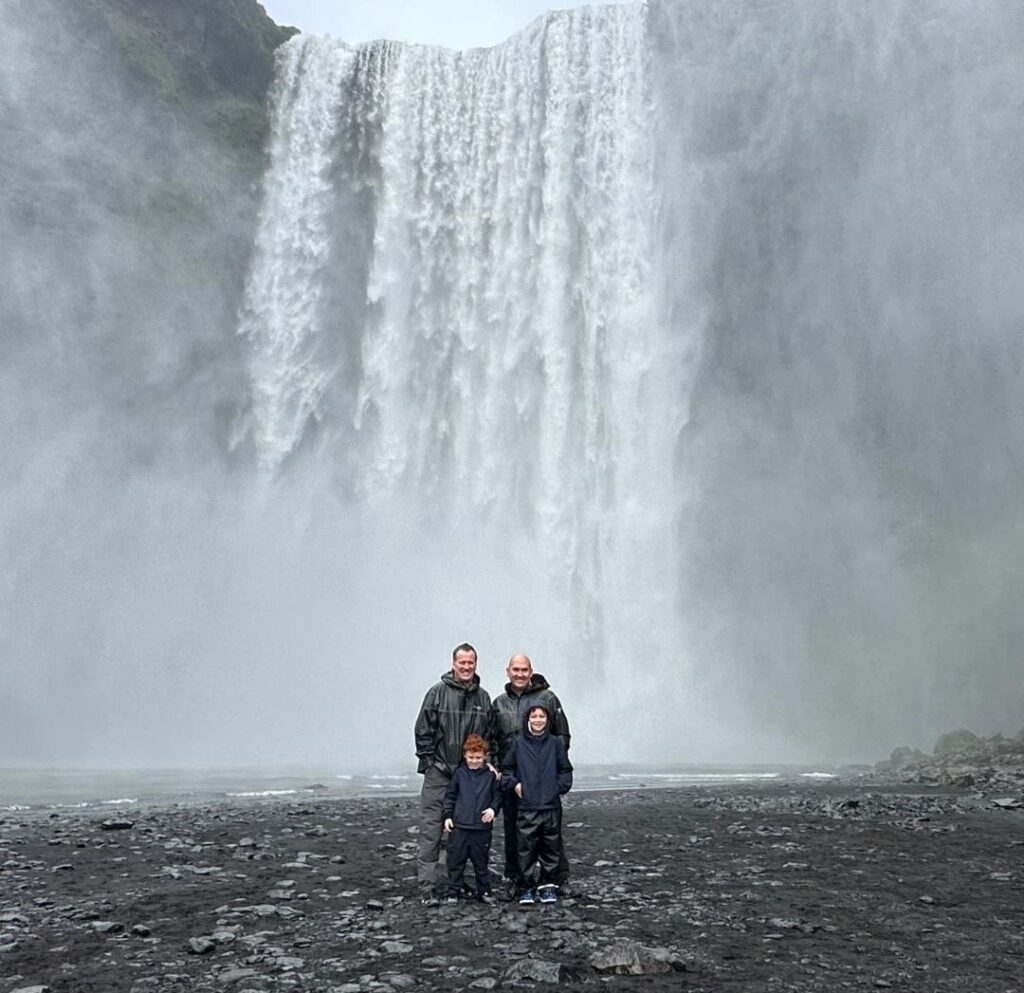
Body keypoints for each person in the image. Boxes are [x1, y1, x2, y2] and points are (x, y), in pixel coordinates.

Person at [413, 643, 493, 906]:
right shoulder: (436, 693)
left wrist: (486, 765)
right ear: (453, 663)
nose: (466, 667)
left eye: (471, 663)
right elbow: (422, 730)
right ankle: (427, 886)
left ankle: (453, 884)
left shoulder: (483, 698)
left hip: (468, 775)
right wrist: (429, 763)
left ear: (476, 664)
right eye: (462, 663)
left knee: (461, 833)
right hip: (440, 772)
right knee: (432, 829)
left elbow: (488, 737)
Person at [491, 654, 571, 895]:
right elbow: (492, 738)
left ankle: (556, 879)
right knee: (514, 830)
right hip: (513, 778)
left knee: (550, 832)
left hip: (543, 780)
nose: (520, 674)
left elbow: (562, 735)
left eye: (524, 670)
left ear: (531, 671)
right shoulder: (499, 703)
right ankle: (517, 879)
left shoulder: (547, 698)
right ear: (508, 671)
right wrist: (500, 772)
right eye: (515, 669)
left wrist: (551, 772)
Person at [500, 703, 573, 905]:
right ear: (527, 719)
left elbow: (565, 770)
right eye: (534, 716)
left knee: (551, 847)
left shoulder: (555, 743)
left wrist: (557, 788)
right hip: (527, 806)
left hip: (550, 806)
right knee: (525, 848)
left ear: (547, 720)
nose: (538, 720)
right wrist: (515, 785)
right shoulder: (518, 743)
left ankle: (548, 886)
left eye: (542, 716)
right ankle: (526, 887)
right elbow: (507, 770)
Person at [441, 733, 501, 903]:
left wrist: (493, 810)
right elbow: (450, 796)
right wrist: (447, 816)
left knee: (481, 862)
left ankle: (484, 891)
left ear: (485, 757)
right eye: (471, 757)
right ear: (465, 756)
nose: (474, 761)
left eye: (478, 757)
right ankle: (453, 891)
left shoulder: (491, 775)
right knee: (455, 861)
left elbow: (497, 796)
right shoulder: (459, 774)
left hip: (482, 827)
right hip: (459, 826)